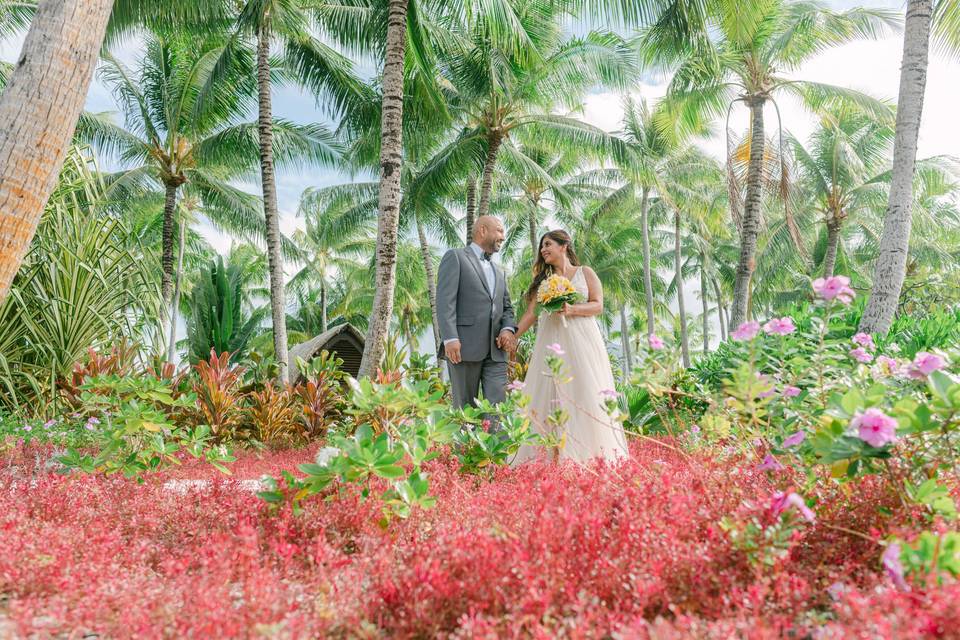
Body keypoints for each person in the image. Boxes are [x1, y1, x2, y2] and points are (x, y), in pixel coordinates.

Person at [511, 229, 629, 464]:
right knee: (548, 391)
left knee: (585, 390)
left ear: (564, 246)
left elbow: (598, 305)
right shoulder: (544, 282)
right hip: (552, 341)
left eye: (548, 244)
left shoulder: (585, 273)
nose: (543, 250)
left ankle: (590, 454)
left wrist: (572, 309)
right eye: (542, 247)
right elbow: (531, 314)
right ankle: (548, 456)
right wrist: (511, 335)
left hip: (583, 341)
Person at [435, 216, 517, 410]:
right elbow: (445, 302)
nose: (503, 237)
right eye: (499, 231)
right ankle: (465, 443)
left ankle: (497, 442)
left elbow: (507, 307)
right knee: (465, 408)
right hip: (463, 349)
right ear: (482, 230)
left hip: (496, 352)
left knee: (497, 409)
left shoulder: (499, 271)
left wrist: (507, 329)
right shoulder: (455, 257)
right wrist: (450, 338)